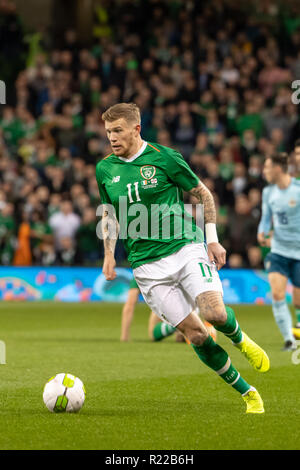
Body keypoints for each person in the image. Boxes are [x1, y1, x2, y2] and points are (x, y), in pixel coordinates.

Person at [97, 102, 270, 414]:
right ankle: (249, 394)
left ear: (136, 129)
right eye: (108, 131)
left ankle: (241, 339)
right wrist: (109, 254)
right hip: (146, 267)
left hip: (184, 246)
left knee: (215, 313)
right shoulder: (105, 169)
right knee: (197, 334)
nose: (112, 137)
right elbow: (110, 214)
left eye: (118, 130)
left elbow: (204, 194)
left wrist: (212, 241)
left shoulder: (165, 158)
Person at [258, 153, 300, 350]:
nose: (264, 171)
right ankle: (289, 340)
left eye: (267, 167)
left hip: (298, 253)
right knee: (277, 293)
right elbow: (266, 217)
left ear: (277, 168)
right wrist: (262, 232)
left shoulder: (297, 190)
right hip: (279, 251)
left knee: (298, 302)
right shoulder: (268, 192)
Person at [121, 277, 217, 343]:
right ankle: (192, 327)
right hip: (189, 306)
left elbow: (130, 304)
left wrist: (124, 336)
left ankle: (179, 328)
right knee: (183, 337)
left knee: (153, 334)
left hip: (166, 306)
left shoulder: (141, 271)